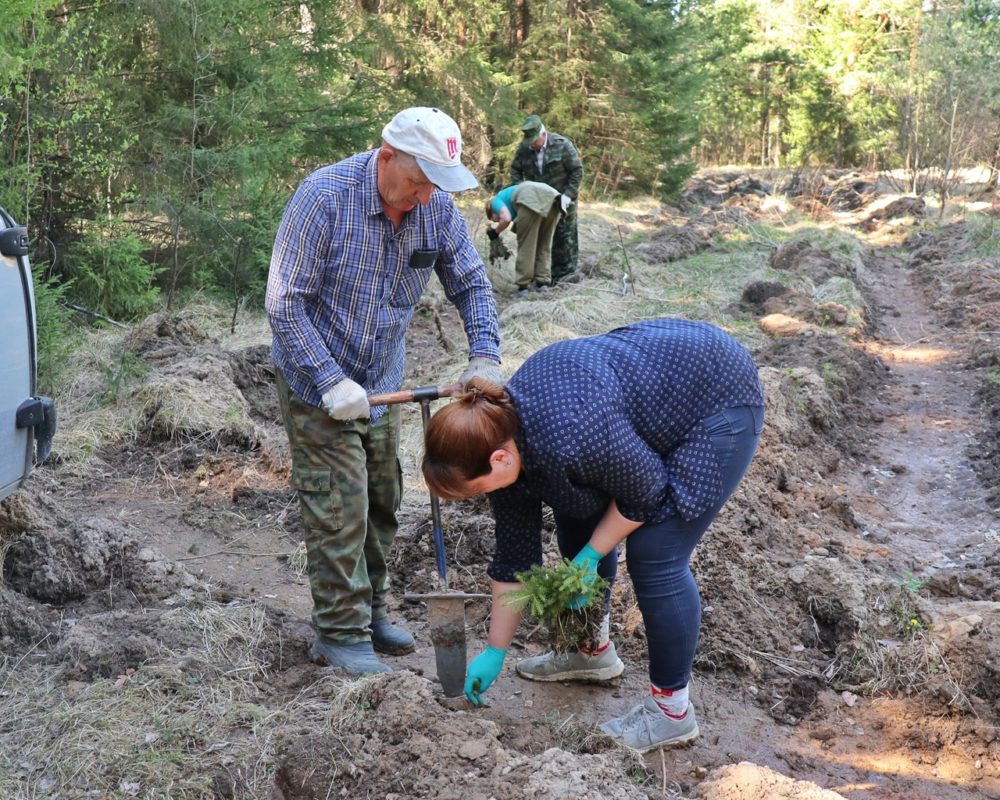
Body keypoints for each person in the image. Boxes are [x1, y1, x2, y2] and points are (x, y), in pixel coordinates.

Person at [421, 318, 765, 751]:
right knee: (577, 516)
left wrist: (590, 556)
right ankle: (589, 651)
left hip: (717, 396)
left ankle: (672, 713)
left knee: (656, 553)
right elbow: (515, 561)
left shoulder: (570, 434)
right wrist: (495, 650)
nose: (476, 499)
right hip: (649, 398)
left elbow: (645, 491)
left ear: (498, 459)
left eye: (473, 490)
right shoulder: (503, 444)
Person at [266, 107, 504, 676]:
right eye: (418, 182)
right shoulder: (323, 198)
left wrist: (486, 354)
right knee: (339, 506)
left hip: (383, 383)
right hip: (317, 381)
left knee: (381, 501)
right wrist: (329, 380)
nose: (425, 198)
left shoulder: (435, 208)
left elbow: (470, 281)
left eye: (435, 186)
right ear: (387, 154)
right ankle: (339, 633)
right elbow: (284, 303)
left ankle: (370, 609)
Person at [509, 115, 583, 284]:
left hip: (563, 200)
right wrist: (523, 190)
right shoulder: (524, 149)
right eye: (530, 141)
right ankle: (541, 278)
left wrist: (568, 195)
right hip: (537, 204)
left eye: (535, 140)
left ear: (543, 134)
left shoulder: (562, 145)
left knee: (564, 240)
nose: (532, 144)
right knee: (540, 240)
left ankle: (565, 279)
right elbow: (515, 170)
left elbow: (577, 171)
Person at [485, 181, 568, 293]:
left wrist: (495, 232)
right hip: (555, 200)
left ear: (491, 211)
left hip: (529, 199)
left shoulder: (495, 201)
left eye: (494, 219)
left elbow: (506, 218)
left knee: (527, 246)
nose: (497, 221)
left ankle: (523, 287)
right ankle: (542, 283)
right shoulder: (509, 198)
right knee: (544, 244)